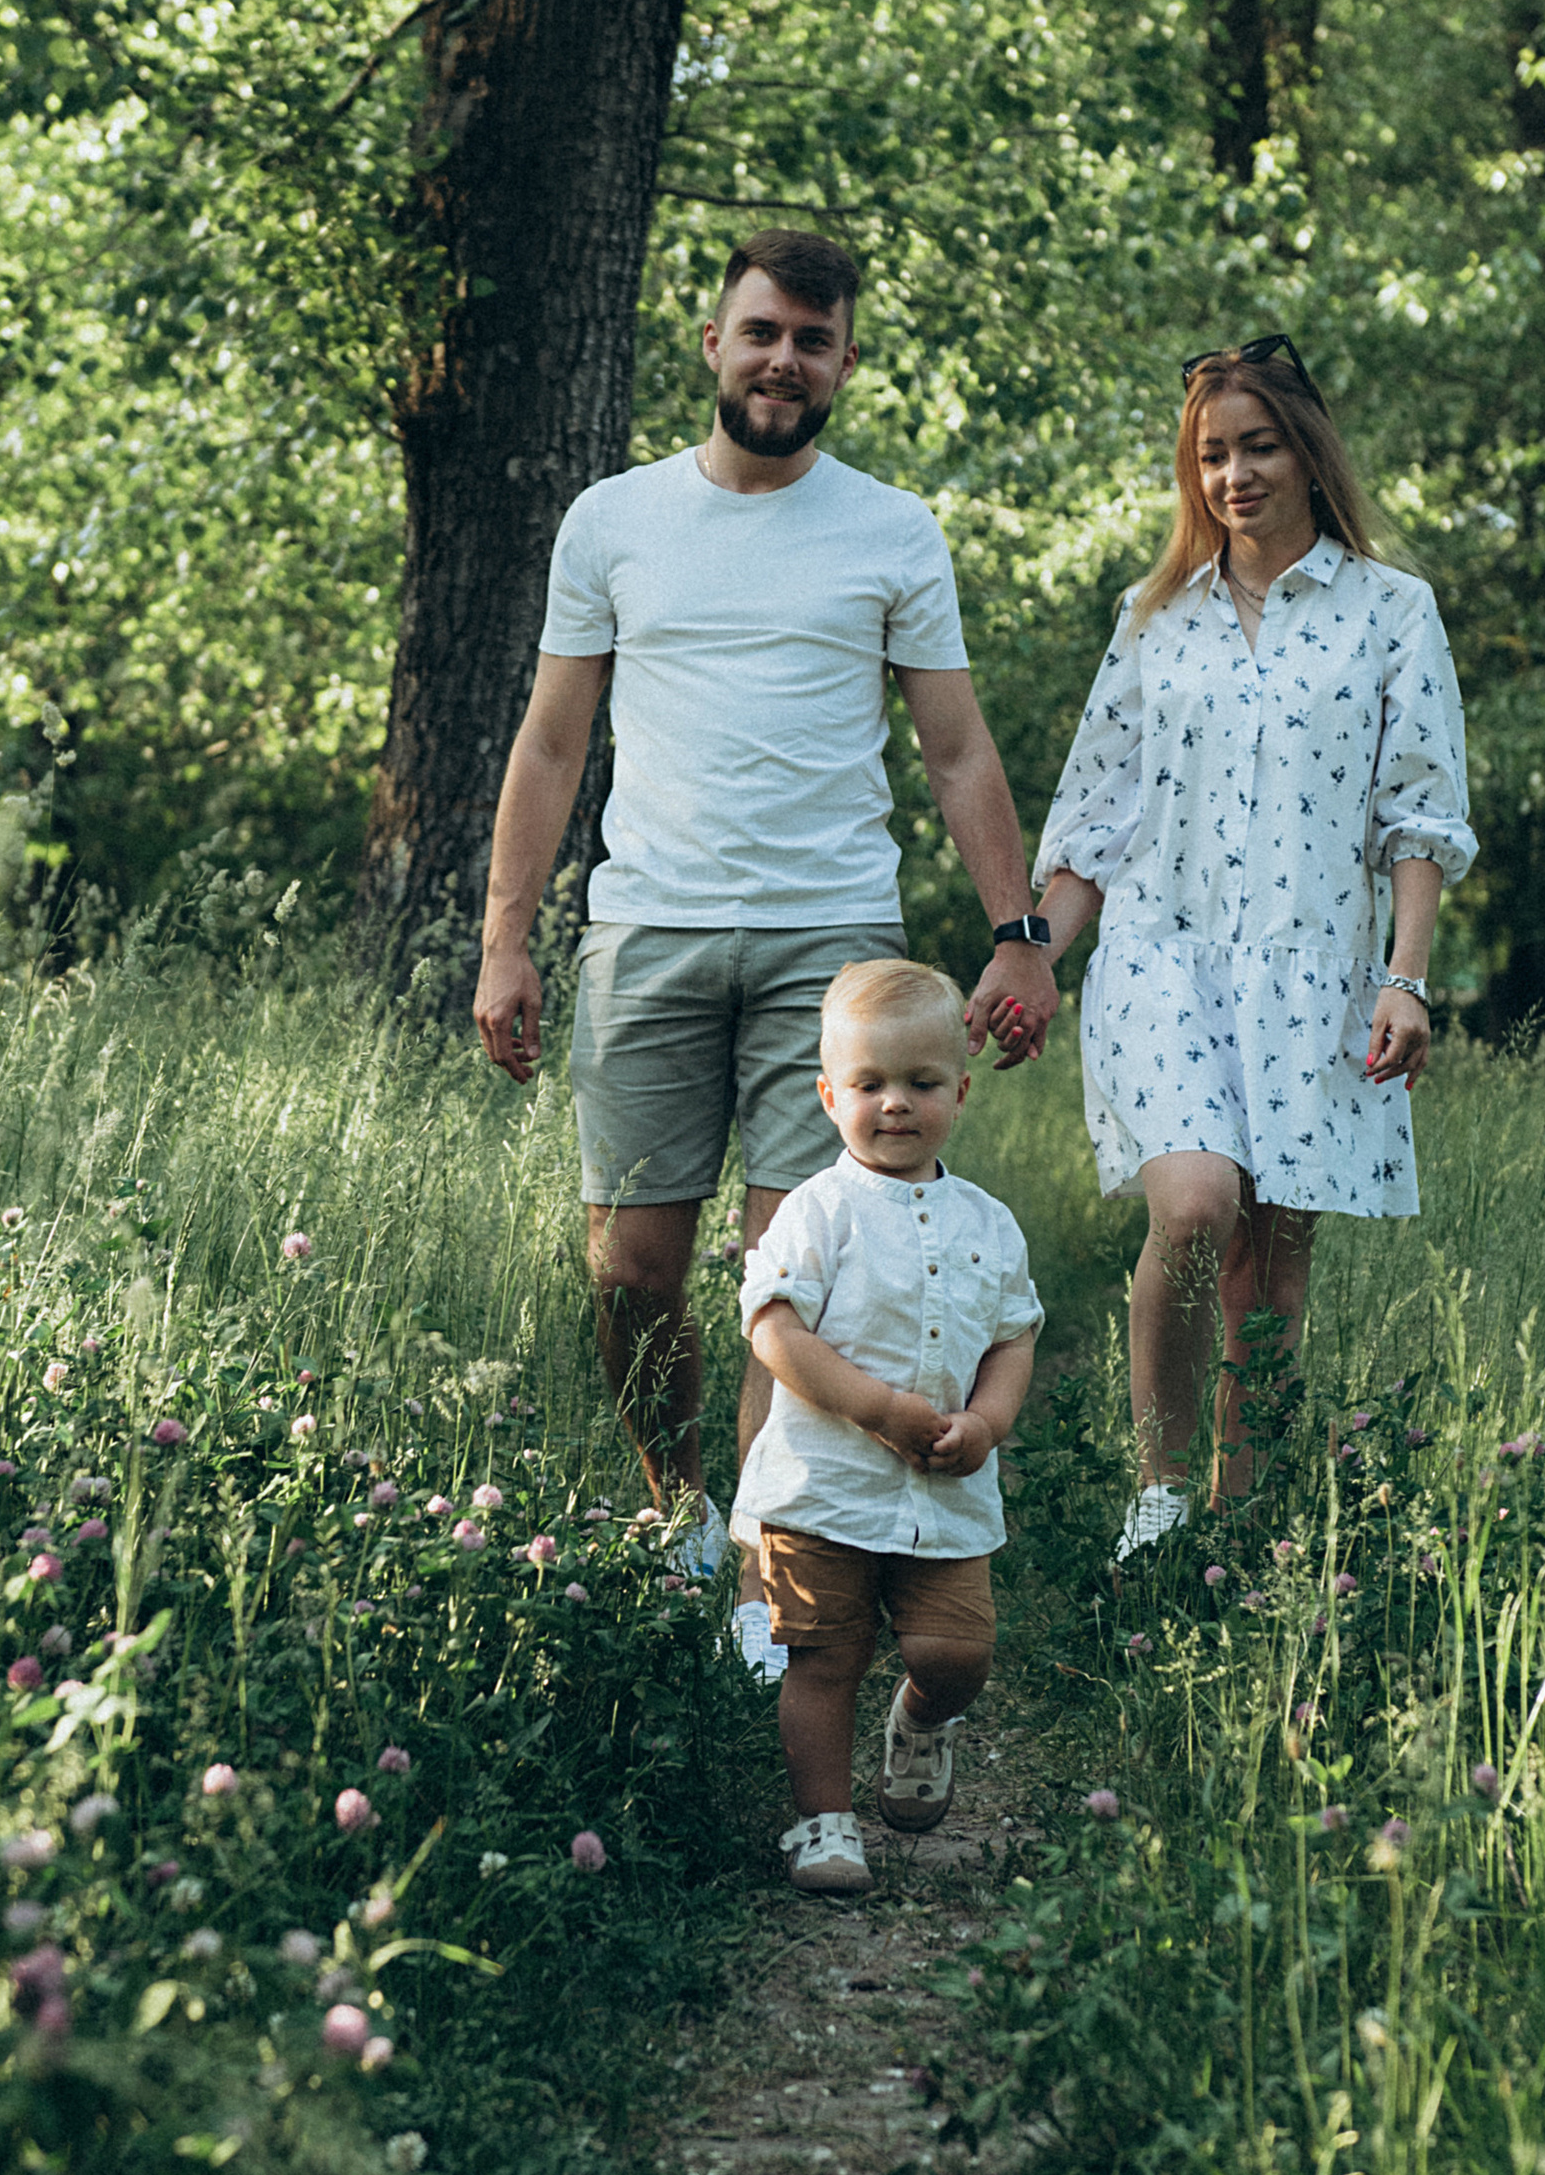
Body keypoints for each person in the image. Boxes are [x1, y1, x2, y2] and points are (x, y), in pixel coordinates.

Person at [472, 229, 1060, 1610]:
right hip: (646, 932)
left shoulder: (892, 528)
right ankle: (675, 1503)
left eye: (812, 340)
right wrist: (507, 936)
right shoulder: (612, 520)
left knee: (786, 1271)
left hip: (830, 946)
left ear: (845, 361)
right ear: (714, 343)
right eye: (761, 332)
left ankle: (761, 1571)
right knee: (630, 1272)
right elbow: (551, 743)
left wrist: (1019, 931)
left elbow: (957, 750)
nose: (783, 360)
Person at [1015, 336, 1474, 1556]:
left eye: (1258, 446)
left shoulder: (1391, 611)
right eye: (1211, 454)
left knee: (1267, 1279)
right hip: (1162, 955)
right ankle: (1159, 1500)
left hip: (1314, 970)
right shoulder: (1153, 615)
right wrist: (1033, 957)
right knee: (1196, 1205)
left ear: (1309, 454)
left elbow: (1418, 813)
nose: (1233, 475)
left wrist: (1407, 979)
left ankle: (1238, 1526)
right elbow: (1095, 817)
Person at [736, 958, 1042, 1895]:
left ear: (960, 1091)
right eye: (869, 1083)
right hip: (824, 1483)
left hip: (944, 1489)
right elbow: (774, 1329)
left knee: (956, 1652)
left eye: (921, 1082)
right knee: (825, 1656)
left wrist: (988, 1420)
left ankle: (921, 1715)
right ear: (830, 1096)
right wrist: (874, 1407)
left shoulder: (989, 1222)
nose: (895, 1103)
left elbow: (1013, 1336)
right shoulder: (817, 1211)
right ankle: (823, 1822)